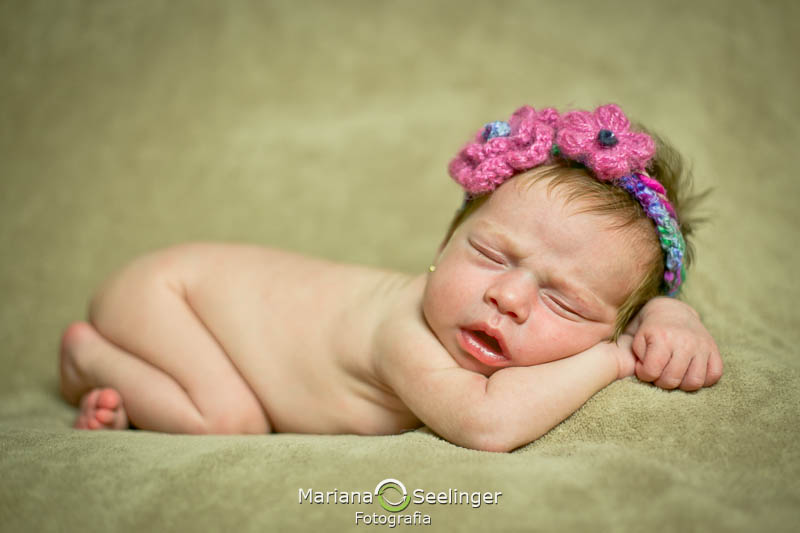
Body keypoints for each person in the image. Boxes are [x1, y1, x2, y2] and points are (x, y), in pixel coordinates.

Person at [59, 103, 723, 452]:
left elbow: (632, 304)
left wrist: (670, 316)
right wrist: (612, 358)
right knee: (227, 419)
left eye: (561, 300)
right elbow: (486, 425)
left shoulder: (562, 308)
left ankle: (126, 377)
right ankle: (89, 357)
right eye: (490, 256)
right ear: (445, 241)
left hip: (196, 294)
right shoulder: (407, 334)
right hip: (170, 294)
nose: (509, 296)